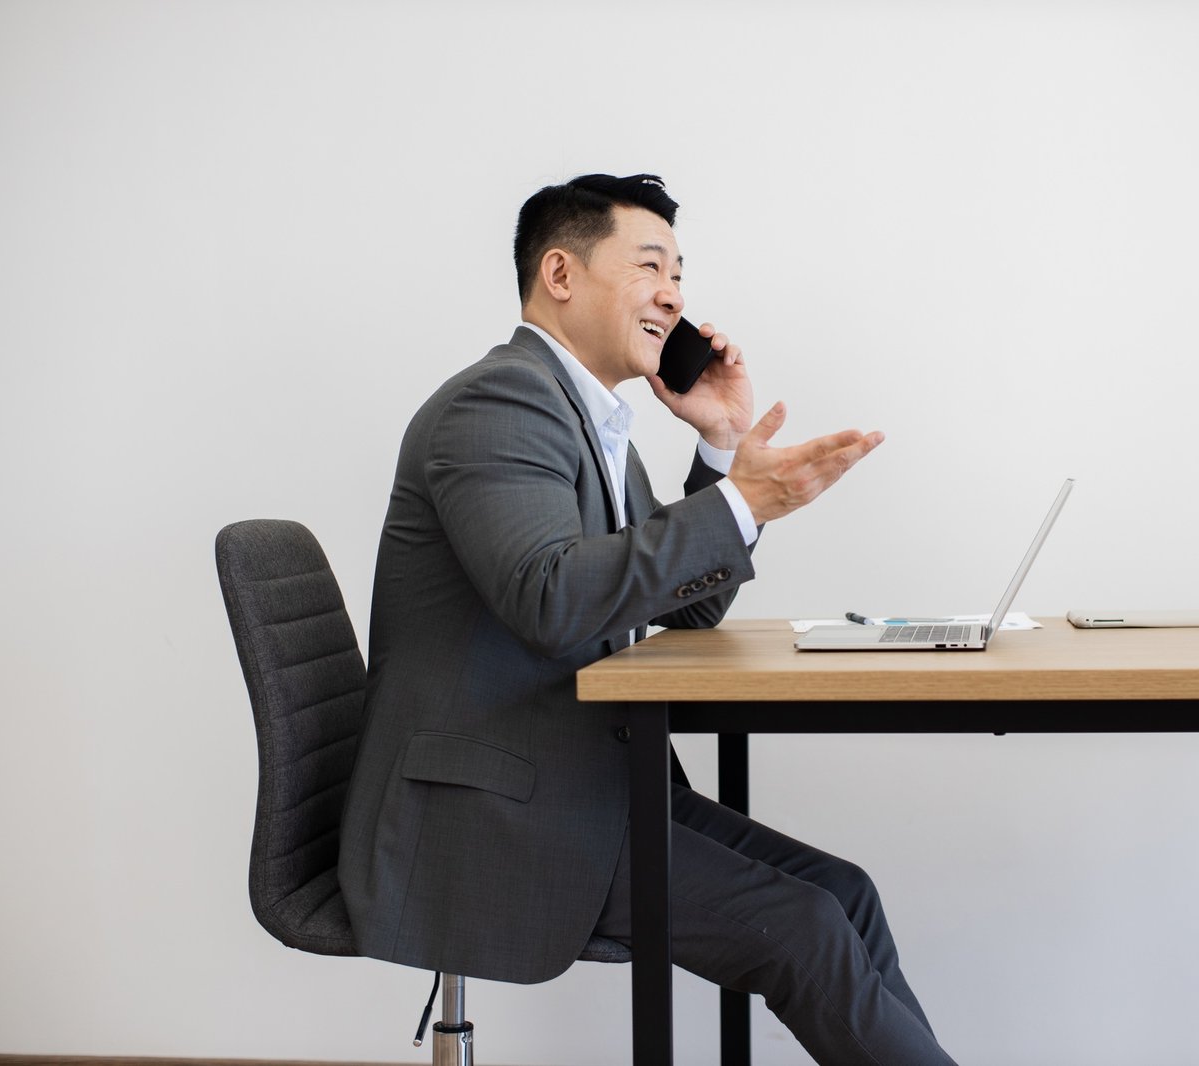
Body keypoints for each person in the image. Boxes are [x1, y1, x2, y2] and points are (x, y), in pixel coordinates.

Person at [339, 173, 957, 1064]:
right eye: (651, 265)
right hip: (491, 811)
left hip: (577, 778)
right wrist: (743, 504)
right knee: (806, 928)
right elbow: (552, 597)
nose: (675, 294)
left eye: (680, 272)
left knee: (843, 896)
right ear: (560, 272)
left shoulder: (591, 419)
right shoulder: (499, 404)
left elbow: (686, 606)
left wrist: (716, 445)